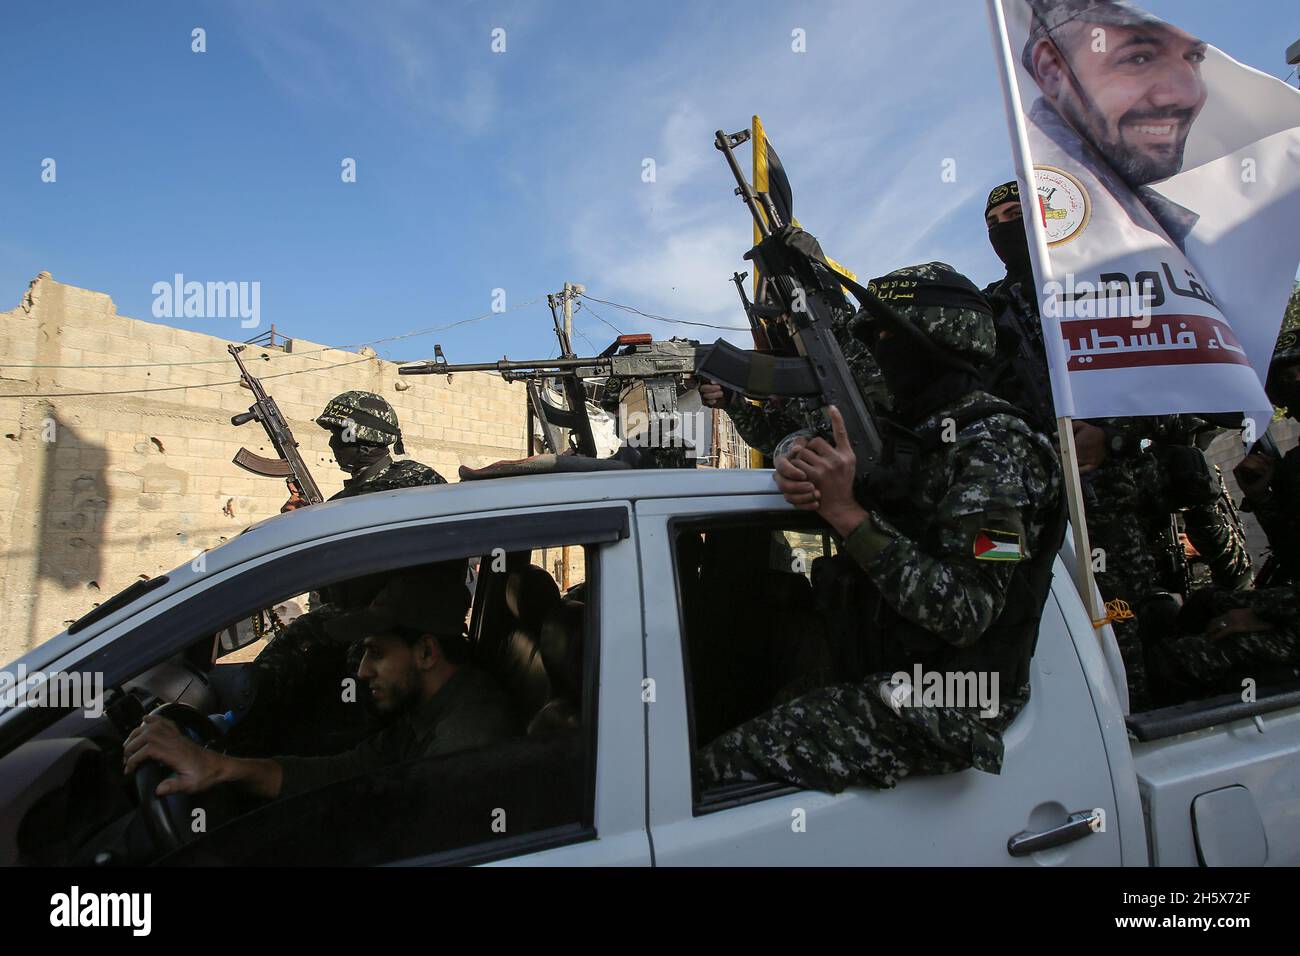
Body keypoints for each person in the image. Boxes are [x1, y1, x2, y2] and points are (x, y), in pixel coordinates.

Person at [696, 261, 1064, 793]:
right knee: (754, 701)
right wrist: (797, 461)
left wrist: (846, 514)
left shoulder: (998, 448)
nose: (880, 352)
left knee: (714, 776)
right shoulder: (909, 432)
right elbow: (799, 436)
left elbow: (966, 611)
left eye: (890, 336)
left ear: (939, 340)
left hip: (957, 696)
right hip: (890, 663)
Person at [124, 573, 517, 801]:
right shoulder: (428, 706)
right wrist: (223, 768)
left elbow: (418, 832)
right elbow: (350, 770)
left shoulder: (468, 734)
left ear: (427, 652)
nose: (362, 672)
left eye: (376, 653)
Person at [1020, 0, 1208, 251]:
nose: (1188, 95)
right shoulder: (1041, 250)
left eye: (1193, 57)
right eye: (1138, 58)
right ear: (1052, 69)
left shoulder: (1179, 236)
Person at [282, 390, 446, 511]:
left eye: (340, 435)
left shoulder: (414, 480)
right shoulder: (347, 497)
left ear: (367, 439)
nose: (332, 443)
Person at [1234, 327, 1300, 586]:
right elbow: (1291, 551)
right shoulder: (1292, 464)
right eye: (1288, 378)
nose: (1297, 384)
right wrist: (1261, 497)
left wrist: (1268, 609)